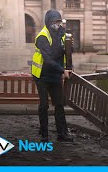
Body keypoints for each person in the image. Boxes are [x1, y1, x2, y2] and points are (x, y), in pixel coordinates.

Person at [31, 9, 73, 142]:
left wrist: (70, 46)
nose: (57, 24)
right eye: (55, 21)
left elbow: (65, 52)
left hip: (55, 75)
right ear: (48, 22)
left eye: (59, 21)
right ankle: (44, 135)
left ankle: (62, 134)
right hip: (42, 75)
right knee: (44, 105)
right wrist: (62, 71)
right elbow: (48, 59)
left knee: (59, 104)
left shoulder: (62, 34)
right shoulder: (42, 36)